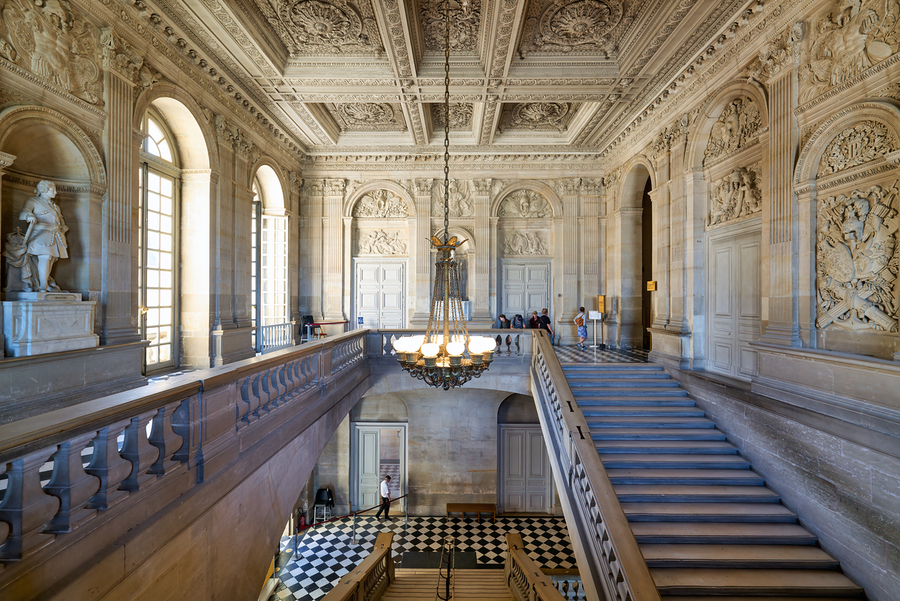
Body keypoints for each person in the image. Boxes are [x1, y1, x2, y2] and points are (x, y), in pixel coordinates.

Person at [11, 180, 69, 292]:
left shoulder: (55, 206)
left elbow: (60, 220)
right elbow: (23, 213)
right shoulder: (33, 201)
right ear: (44, 189)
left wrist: (63, 228)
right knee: (45, 258)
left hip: (55, 235)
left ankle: (44, 282)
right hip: (41, 234)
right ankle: (43, 285)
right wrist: (29, 216)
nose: (56, 192)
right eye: (53, 190)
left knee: (50, 259)